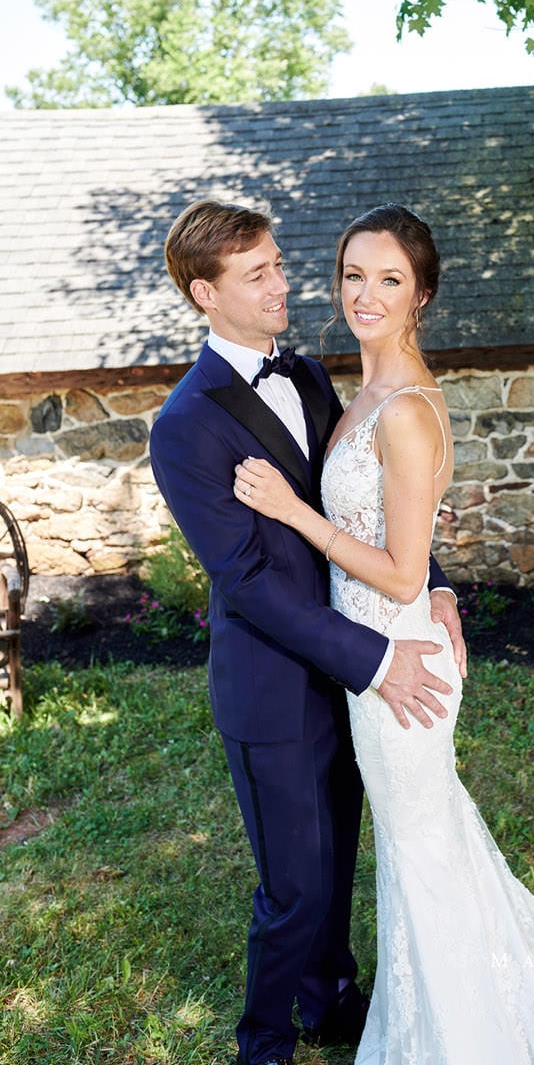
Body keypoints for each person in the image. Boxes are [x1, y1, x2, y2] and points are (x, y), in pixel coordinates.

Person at [233, 204, 534, 1065]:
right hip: (379, 658)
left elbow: (402, 572)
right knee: (425, 857)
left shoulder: (404, 410)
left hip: (398, 671)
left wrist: (296, 513)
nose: (365, 295)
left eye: (390, 279)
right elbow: (408, 541)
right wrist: (441, 587)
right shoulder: (366, 389)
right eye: (354, 275)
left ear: (422, 296)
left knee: (425, 860)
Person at [149, 200, 466, 1065]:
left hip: (350, 674)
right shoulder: (185, 425)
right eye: (258, 275)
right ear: (206, 293)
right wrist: (375, 660)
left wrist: (434, 583)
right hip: (277, 689)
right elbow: (247, 582)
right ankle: (264, 1042)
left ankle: (330, 1001)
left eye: (281, 265)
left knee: (337, 867)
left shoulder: (314, 377)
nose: (283, 285)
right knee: (294, 886)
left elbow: (373, 504)